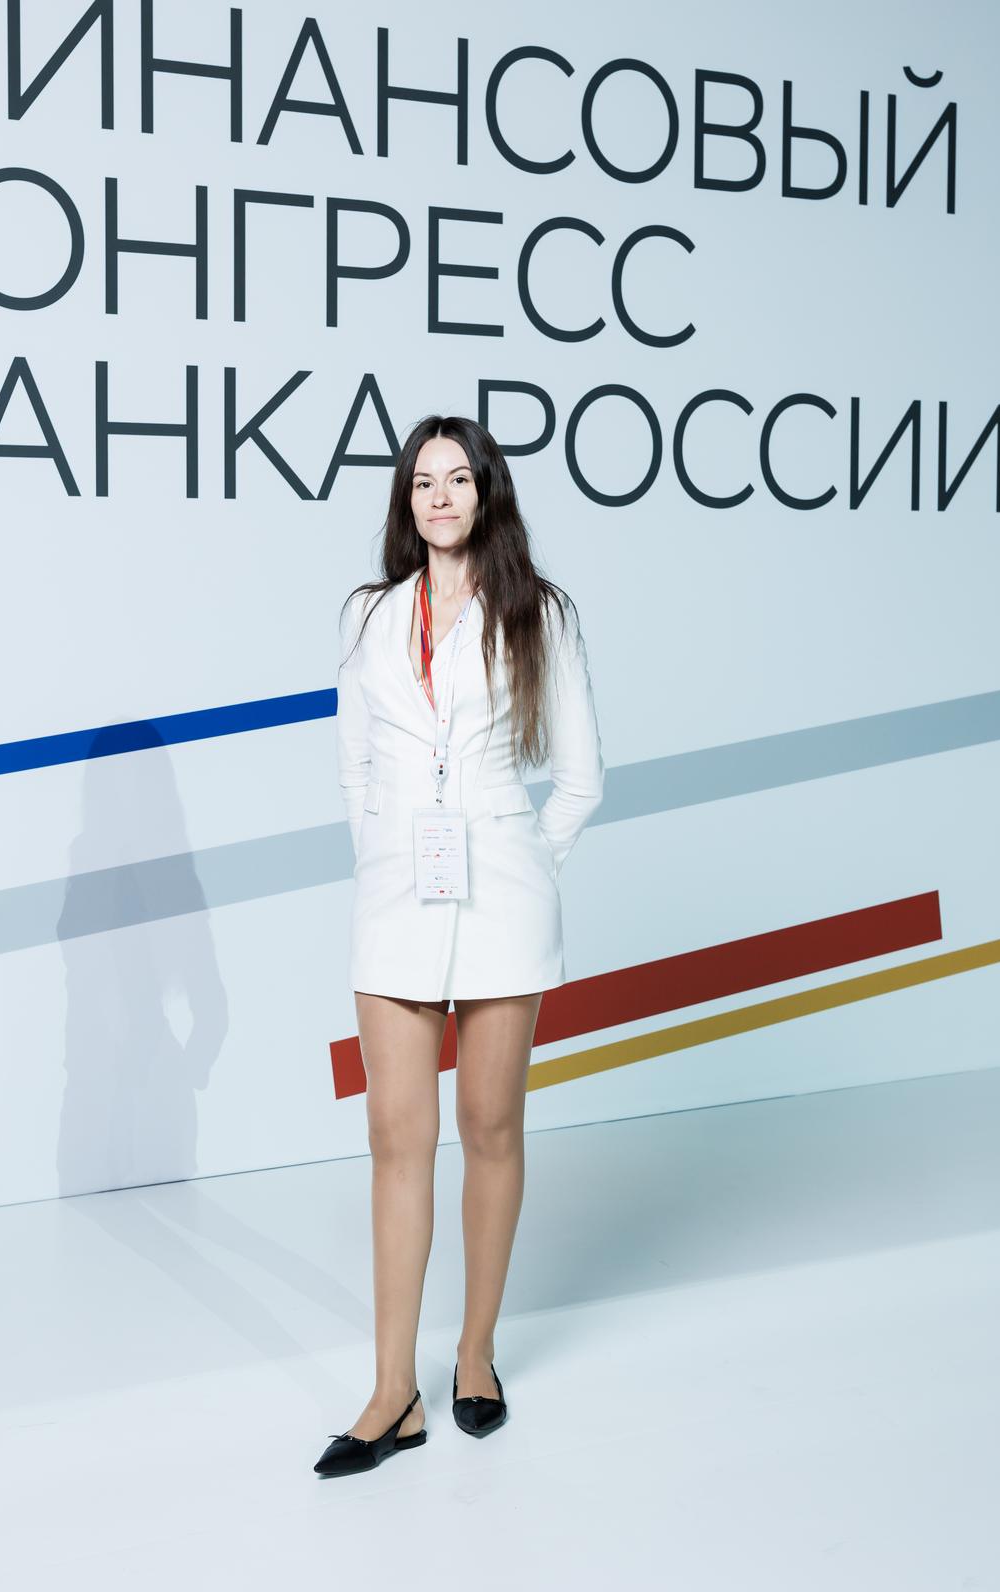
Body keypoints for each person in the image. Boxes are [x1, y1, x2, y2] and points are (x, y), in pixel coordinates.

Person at [313, 414, 605, 1477]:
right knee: (396, 1140)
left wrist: (523, 863)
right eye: (421, 482)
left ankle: (474, 1355)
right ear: (408, 502)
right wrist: (387, 859)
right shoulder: (368, 614)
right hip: (395, 900)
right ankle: (392, 1391)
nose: (438, 497)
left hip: (501, 906)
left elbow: (581, 779)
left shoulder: (540, 611)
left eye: (457, 479)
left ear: (488, 492)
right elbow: (355, 767)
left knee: (490, 1127)